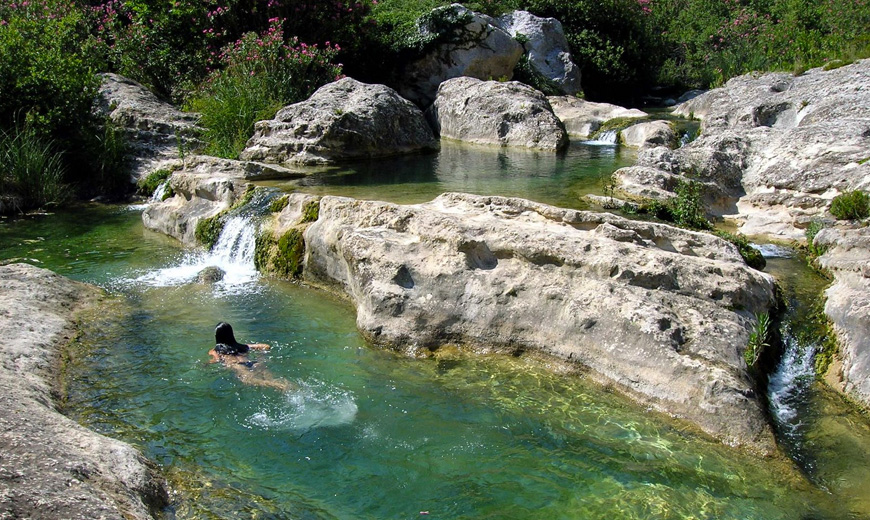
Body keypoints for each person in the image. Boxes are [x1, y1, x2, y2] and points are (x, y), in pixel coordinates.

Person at [209, 322, 293, 391]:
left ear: (217, 337)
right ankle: (286, 385)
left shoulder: (214, 351)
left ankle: (277, 385)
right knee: (271, 378)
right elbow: (266, 346)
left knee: (248, 381)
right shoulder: (243, 346)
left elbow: (216, 360)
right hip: (253, 363)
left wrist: (207, 364)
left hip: (238, 366)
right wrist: (260, 358)